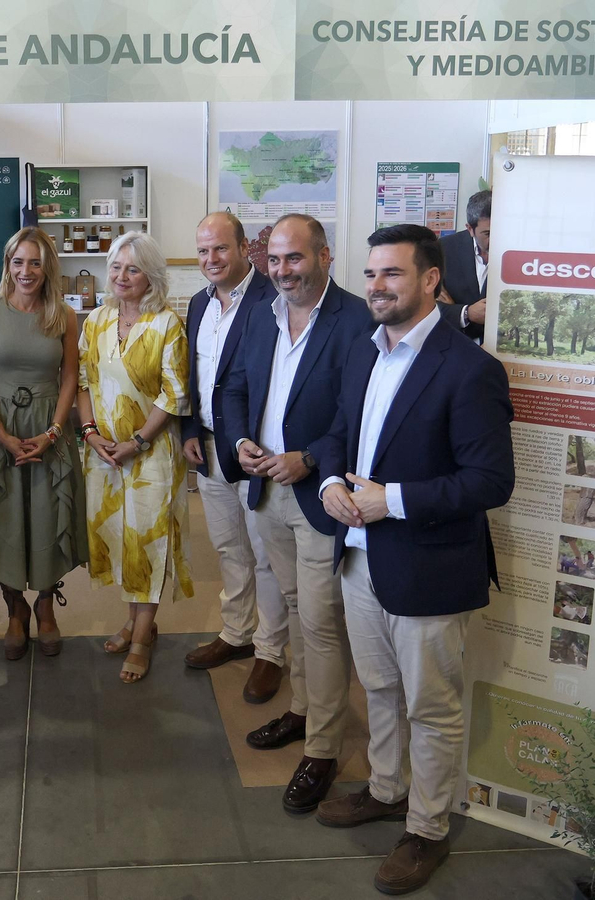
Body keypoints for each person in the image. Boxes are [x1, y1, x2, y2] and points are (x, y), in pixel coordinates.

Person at [310, 224, 515, 894]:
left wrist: (390, 501)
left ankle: (427, 828)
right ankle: (386, 789)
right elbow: (339, 433)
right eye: (371, 273)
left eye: (392, 273)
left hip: (429, 566)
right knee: (379, 688)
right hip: (359, 558)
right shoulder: (363, 353)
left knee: (431, 706)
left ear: (430, 280)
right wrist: (329, 482)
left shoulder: (470, 369)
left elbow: (491, 482)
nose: (377, 286)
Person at [220, 213, 373, 815]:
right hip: (265, 488)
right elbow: (235, 385)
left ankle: (323, 749)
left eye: (295, 258)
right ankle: (305, 710)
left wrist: (309, 458)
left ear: (324, 256)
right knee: (289, 607)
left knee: (320, 621)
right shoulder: (263, 313)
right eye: (275, 260)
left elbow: (357, 413)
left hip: (318, 493)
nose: (282, 271)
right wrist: (239, 442)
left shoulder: (356, 319)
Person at [179, 212, 286, 704]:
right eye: (203, 251)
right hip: (207, 445)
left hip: (254, 450)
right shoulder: (199, 303)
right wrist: (188, 428)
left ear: (245, 248)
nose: (211, 259)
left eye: (220, 248)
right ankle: (237, 632)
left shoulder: (273, 299)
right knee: (228, 546)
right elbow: (195, 373)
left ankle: (271, 651)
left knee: (266, 554)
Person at [78, 230, 192, 684]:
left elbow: (174, 394)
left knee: (148, 541)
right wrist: (90, 434)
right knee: (121, 539)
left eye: (133, 269)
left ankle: (142, 637)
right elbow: (83, 382)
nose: (122, 276)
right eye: (116, 267)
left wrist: (138, 442)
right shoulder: (97, 320)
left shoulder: (167, 324)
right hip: (104, 455)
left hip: (151, 454)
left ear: (151, 276)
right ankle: (135, 620)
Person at [0, 227, 87, 660]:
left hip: (49, 428)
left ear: (47, 267)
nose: (26, 271)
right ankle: (15, 606)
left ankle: (45, 604)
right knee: (5, 517)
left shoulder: (64, 315)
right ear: (8, 265)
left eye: (35, 262)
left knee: (48, 514)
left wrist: (53, 432)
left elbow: (70, 377)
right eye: (18, 262)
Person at [438, 190, 491, 342]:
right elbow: (427, 304)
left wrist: (453, 307)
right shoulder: (444, 249)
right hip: (457, 343)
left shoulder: (521, 252)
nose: (496, 239)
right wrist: (466, 312)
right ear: (470, 229)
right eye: (487, 234)